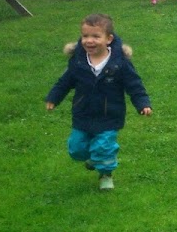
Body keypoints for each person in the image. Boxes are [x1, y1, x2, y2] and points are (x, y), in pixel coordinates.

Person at [45, 13, 151, 191]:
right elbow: (65, 82)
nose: (89, 41)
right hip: (83, 113)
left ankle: (106, 174)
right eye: (85, 36)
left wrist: (143, 103)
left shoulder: (119, 63)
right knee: (76, 149)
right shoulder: (78, 61)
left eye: (96, 36)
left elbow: (134, 85)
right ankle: (94, 159)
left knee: (104, 147)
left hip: (109, 114)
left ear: (109, 39)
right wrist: (53, 98)